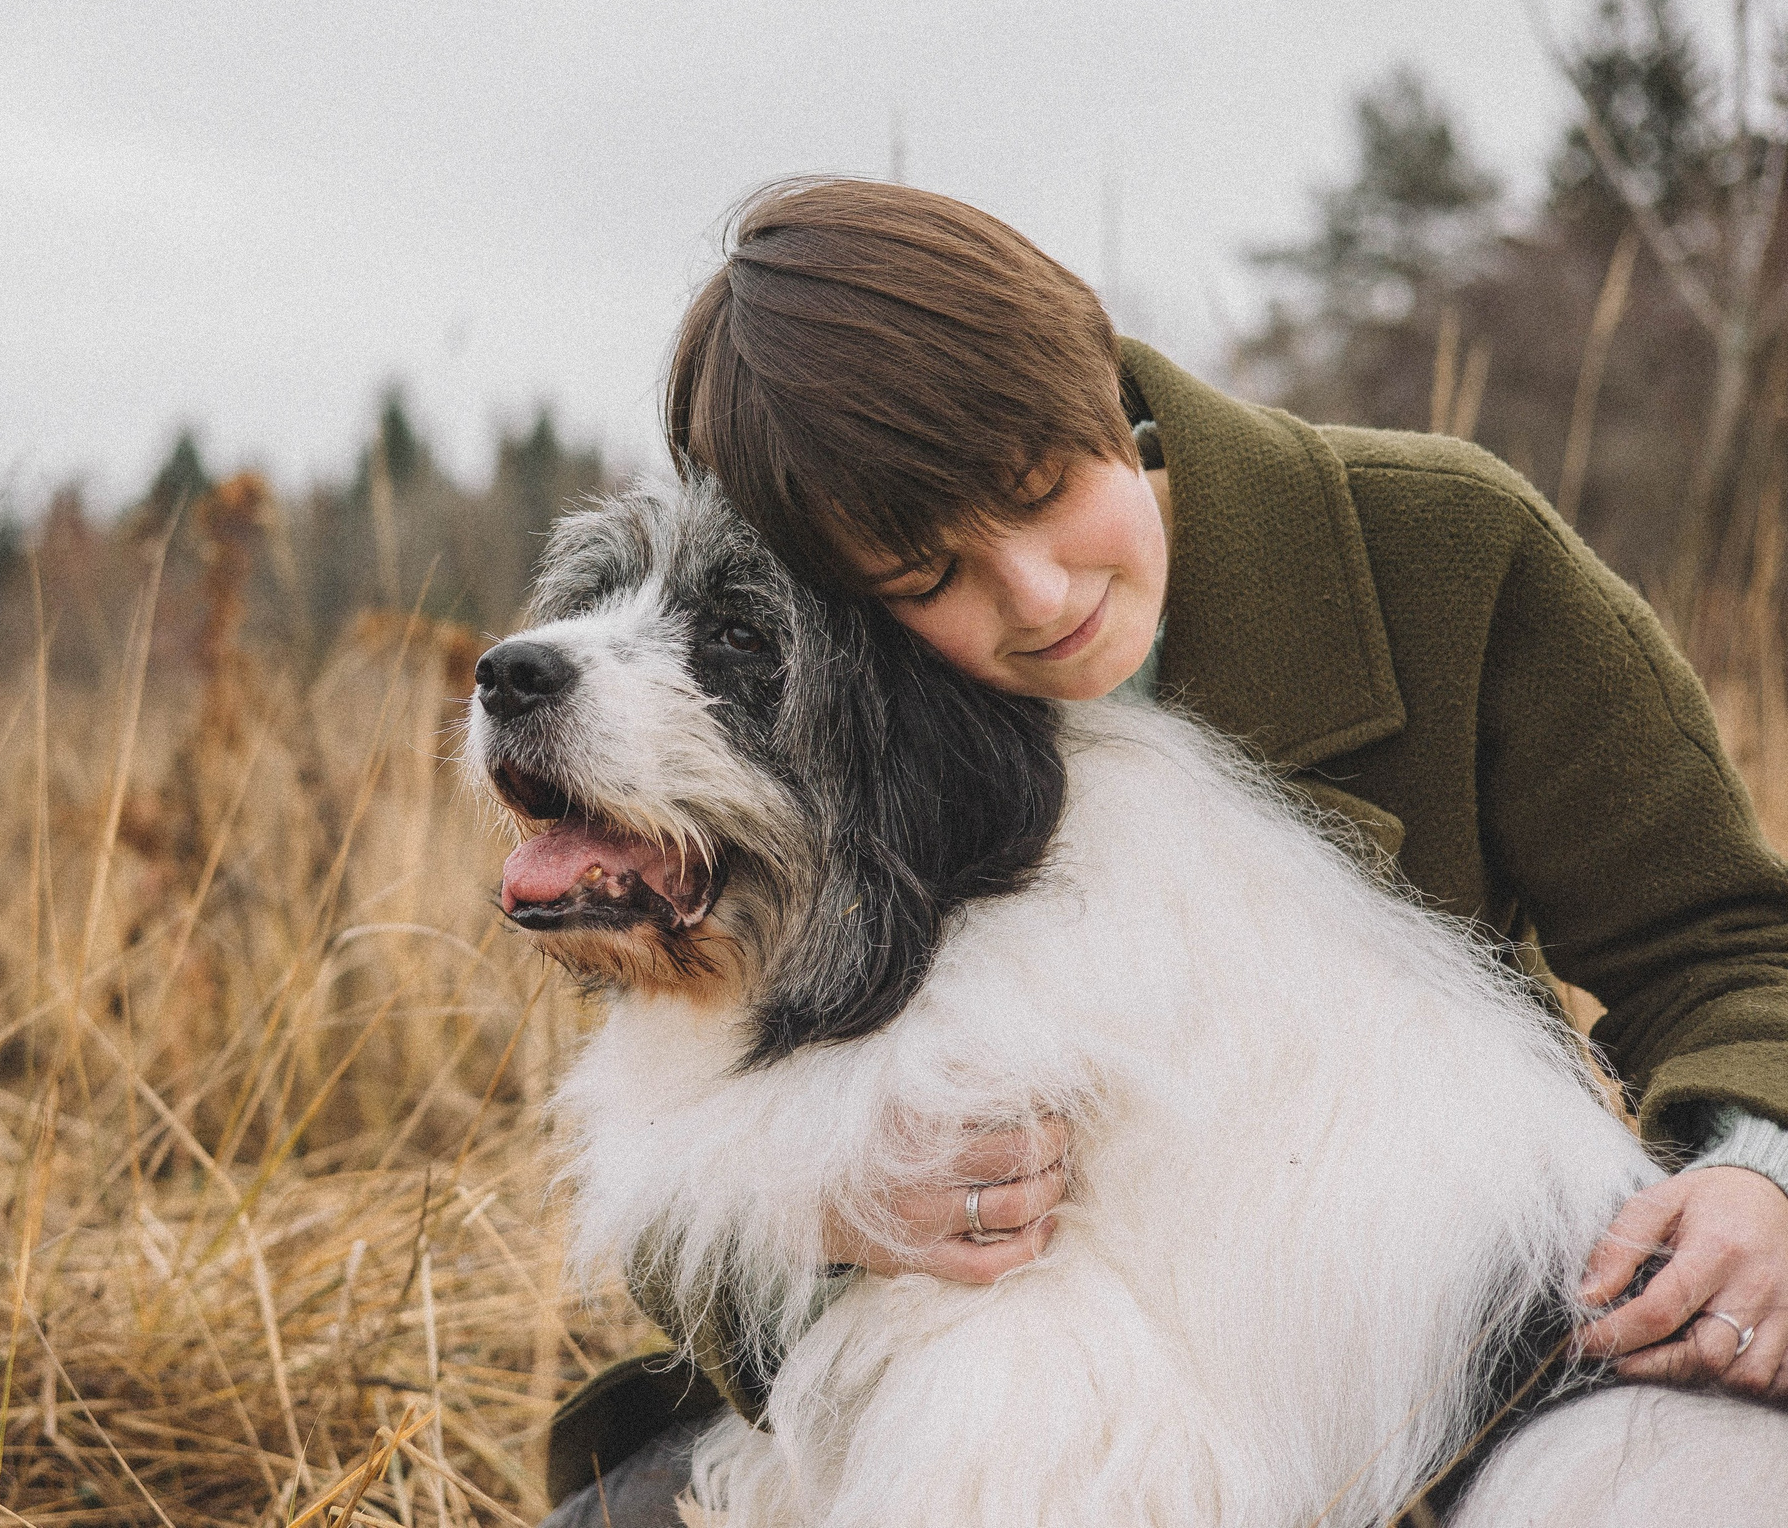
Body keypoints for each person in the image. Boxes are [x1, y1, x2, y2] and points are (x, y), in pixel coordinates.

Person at [538, 179, 1788, 1526]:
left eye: (1044, 488)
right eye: (925, 572)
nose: (1038, 593)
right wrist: (830, 1216)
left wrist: (1752, 1168)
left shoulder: (1444, 548)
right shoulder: (828, 716)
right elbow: (693, 1115)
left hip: (1434, 1355)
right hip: (978, 1383)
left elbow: (1722, 941)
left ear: (1099, 377)